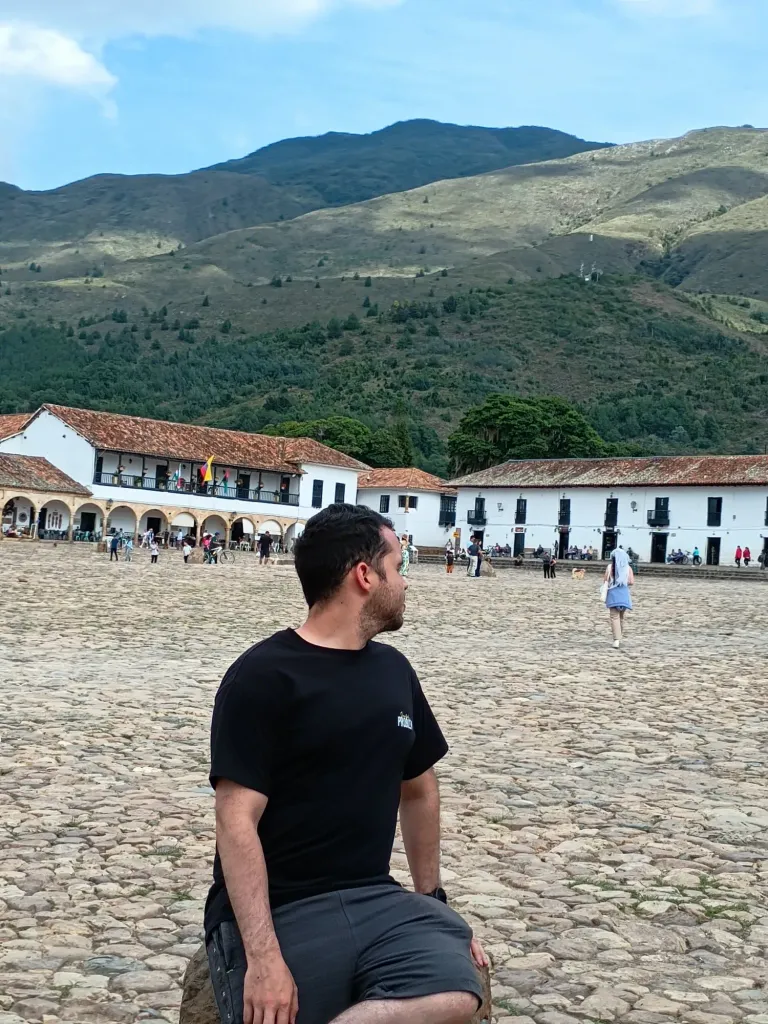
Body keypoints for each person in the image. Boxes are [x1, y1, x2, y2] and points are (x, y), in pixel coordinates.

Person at [204, 504, 486, 1024]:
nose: (404, 584)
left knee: (459, 994)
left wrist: (434, 903)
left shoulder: (394, 672)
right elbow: (234, 818)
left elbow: (420, 790)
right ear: (364, 576)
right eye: (397, 568)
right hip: (284, 909)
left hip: (374, 897)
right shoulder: (264, 676)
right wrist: (264, 959)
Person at [604, 547, 634, 649]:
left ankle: (616, 639)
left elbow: (605, 580)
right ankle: (619, 637)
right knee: (621, 617)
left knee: (614, 617)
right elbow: (631, 582)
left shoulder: (609, 567)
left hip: (613, 594)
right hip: (624, 594)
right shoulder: (628, 568)